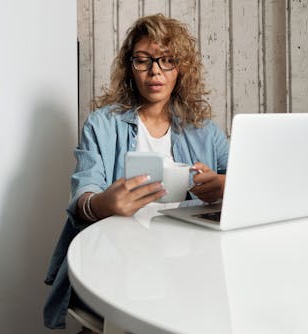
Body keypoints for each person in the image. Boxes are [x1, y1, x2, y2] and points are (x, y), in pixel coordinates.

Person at [44, 13, 229, 329]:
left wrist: (224, 184)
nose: (155, 70)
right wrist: (101, 204)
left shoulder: (204, 131)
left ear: (179, 68)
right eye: (143, 61)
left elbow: (243, 181)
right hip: (119, 262)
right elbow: (83, 192)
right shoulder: (102, 125)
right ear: (130, 68)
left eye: (166, 60)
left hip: (188, 260)